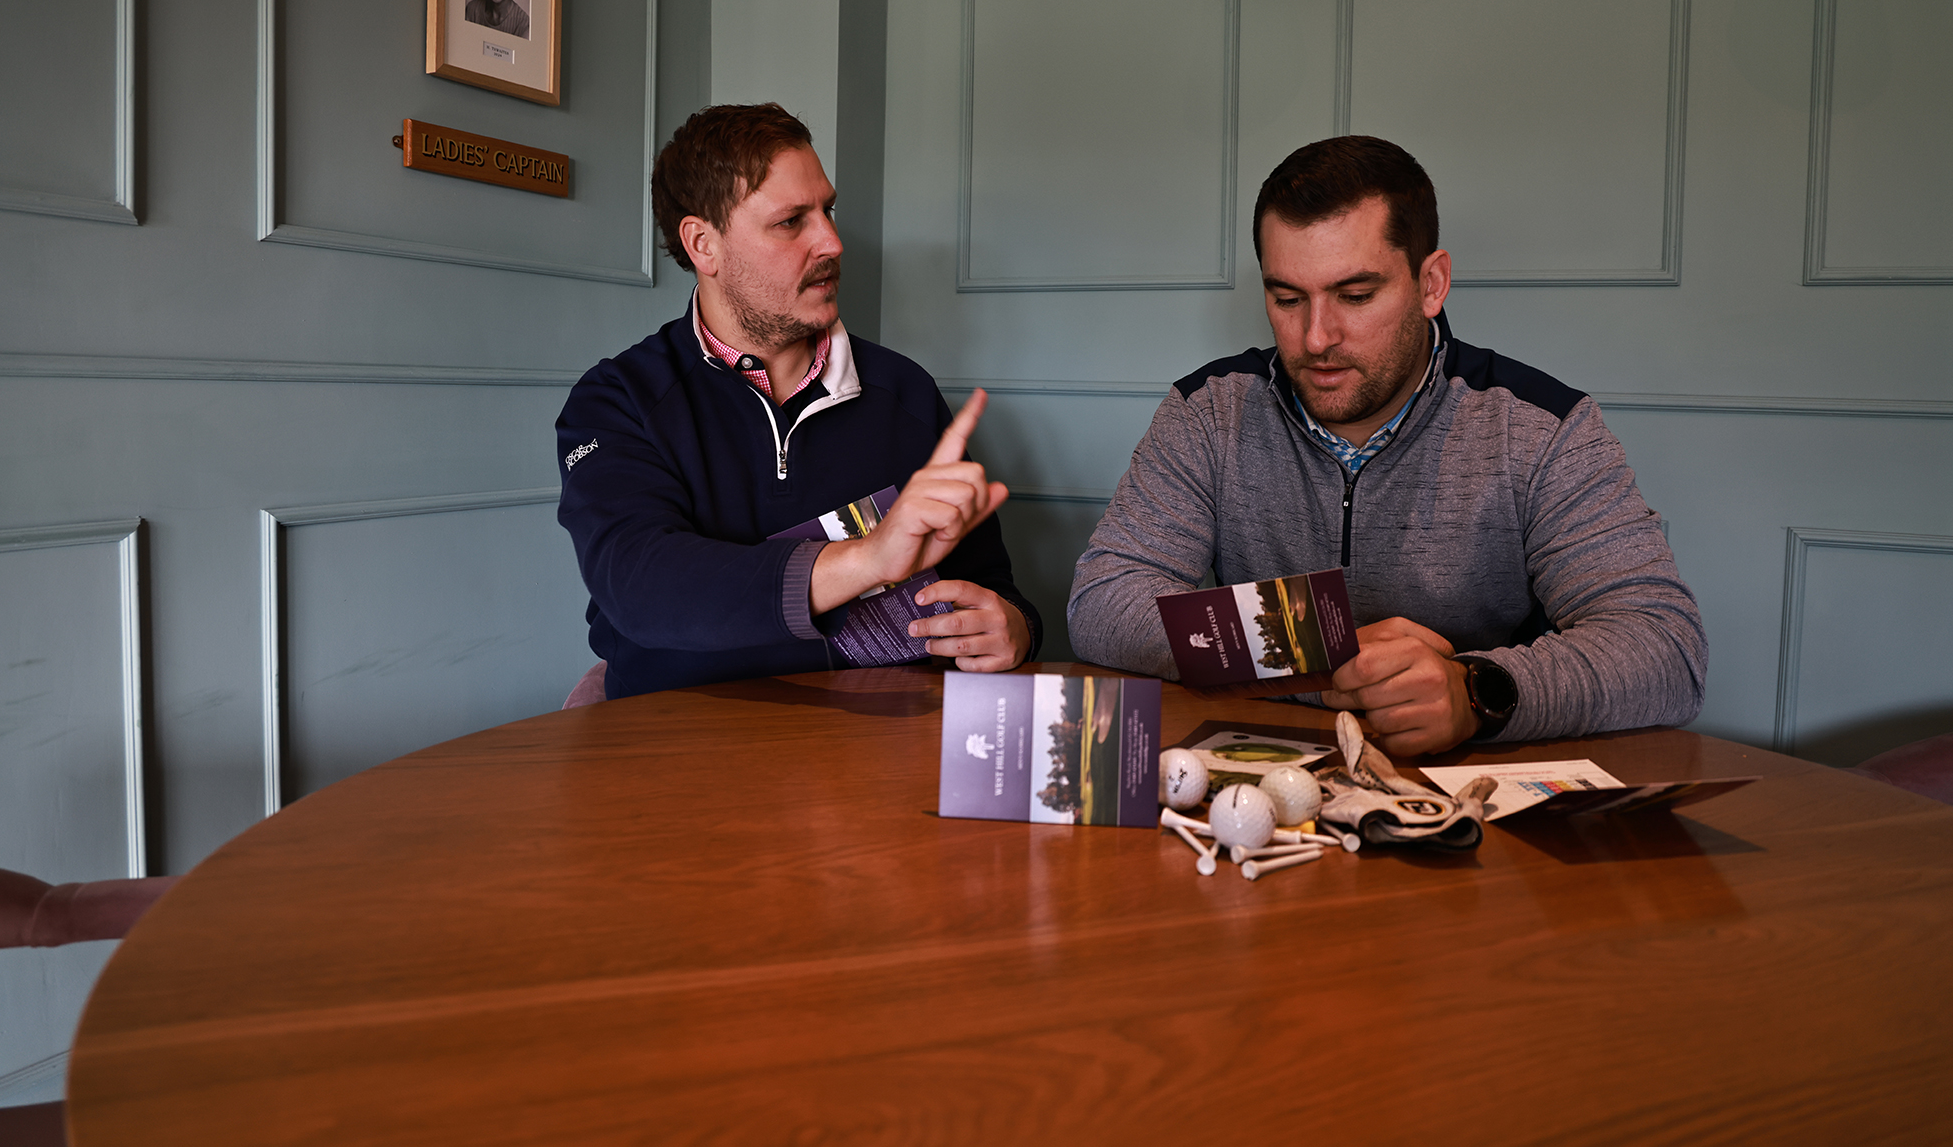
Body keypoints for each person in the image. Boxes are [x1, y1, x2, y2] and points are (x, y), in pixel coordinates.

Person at [1067, 136, 1706, 756]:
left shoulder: (1540, 427)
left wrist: (1475, 690)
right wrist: (1313, 650)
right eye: (1287, 298)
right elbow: (1103, 600)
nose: (1316, 337)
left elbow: (1665, 645)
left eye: (1356, 296)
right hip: (1270, 786)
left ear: (1432, 283)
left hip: (1477, 803)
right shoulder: (1209, 411)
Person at [557, 103, 1040, 700]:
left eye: (827, 210)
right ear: (703, 244)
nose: (832, 241)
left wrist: (1012, 627)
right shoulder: (617, 401)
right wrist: (868, 559)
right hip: (679, 751)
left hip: (877, 753)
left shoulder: (905, 393)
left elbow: (988, 586)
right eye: (791, 221)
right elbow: (642, 585)